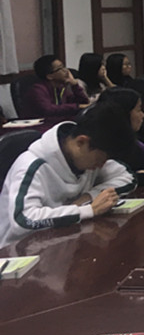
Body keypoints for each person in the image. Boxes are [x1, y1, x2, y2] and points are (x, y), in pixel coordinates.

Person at [0, 101, 137, 248]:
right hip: (19, 251)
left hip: (61, 242)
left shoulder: (88, 155)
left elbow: (128, 177)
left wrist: (89, 197)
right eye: (100, 159)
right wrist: (88, 210)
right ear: (81, 142)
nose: (101, 166)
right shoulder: (31, 166)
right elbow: (23, 221)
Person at [20, 54, 91, 119]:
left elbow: (83, 103)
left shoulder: (60, 89)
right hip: (38, 126)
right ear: (50, 76)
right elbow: (48, 110)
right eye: (60, 68)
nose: (66, 71)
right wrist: (77, 106)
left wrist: (74, 85)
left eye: (64, 67)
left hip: (57, 123)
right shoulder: (37, 90)